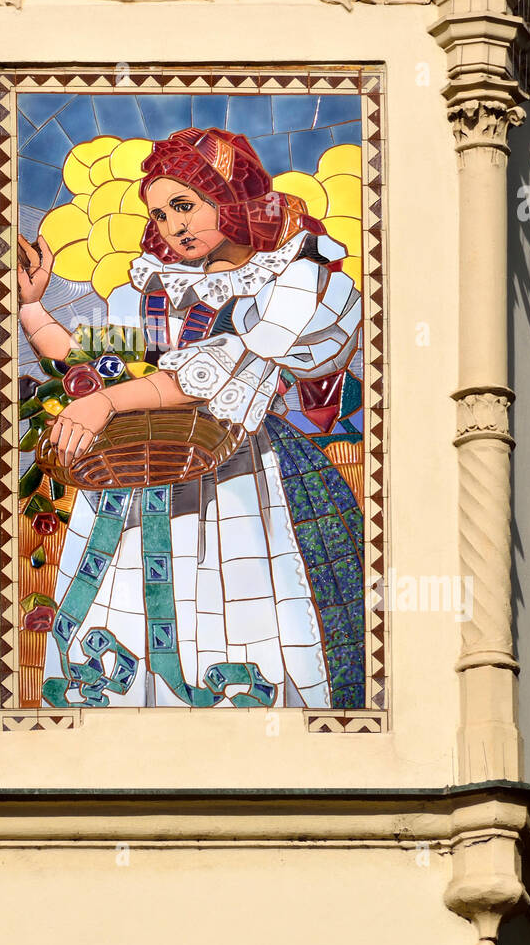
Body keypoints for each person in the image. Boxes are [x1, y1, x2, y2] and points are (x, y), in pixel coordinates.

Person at [18, 126, 364, 709]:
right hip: (137, 471)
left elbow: (203, 376)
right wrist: (32, 307)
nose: (172, 226)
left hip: (242, 475)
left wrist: (106, 402)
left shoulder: (294, 280)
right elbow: (99, 361)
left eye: (185, 205)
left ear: (230, 198)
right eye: (159, 216)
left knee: (247, 603)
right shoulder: (156, 291)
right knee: (125, 605)